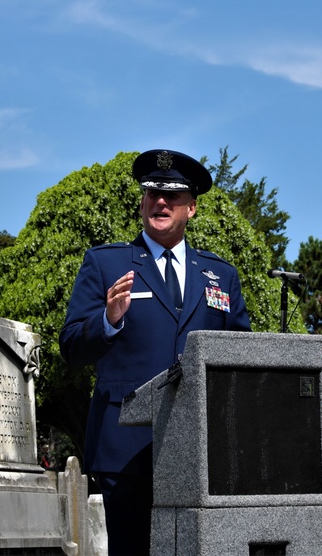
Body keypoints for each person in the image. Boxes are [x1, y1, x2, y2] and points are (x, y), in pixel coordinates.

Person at [60, 149, 252, 555]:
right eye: (152, 194)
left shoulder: (220, 274)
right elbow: (72, 347)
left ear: (192, 209)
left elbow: (240, 357)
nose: (160, 202)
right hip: (126, 444)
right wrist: (108, 320)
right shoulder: (105, 263)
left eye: (173, 196)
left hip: (201, 447)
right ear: (143, 202)